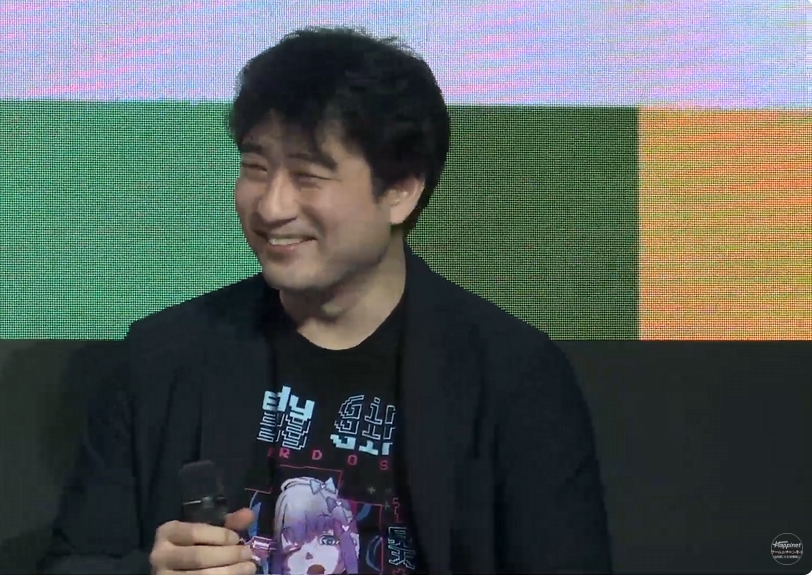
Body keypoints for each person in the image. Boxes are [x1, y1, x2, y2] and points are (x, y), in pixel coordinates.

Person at [40, 26, 612, 575]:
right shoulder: (163, 358)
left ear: (400, 190)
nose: (271, 207)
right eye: (255, 168)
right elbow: (73, 562)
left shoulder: (513, 377)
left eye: (308, 176)